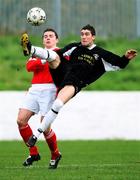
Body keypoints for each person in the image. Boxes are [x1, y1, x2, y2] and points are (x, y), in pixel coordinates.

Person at [21, 24, 137, 147]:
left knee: (58, 104)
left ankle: (36, 135)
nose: (84, 37)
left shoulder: (100, 54)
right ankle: (30, 48)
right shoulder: (75, 47)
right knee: (54, 55)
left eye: (87, 34)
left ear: (93, 37)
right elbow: (58, 54)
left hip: (75, 83)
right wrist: (43, 58)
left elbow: (119, 64)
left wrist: (126, 57)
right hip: (63, 74)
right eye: (82, 34)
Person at [17, 28, 62, 169]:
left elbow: (57, 63)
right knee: (21, 120)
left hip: (50, 90)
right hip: (35, 89)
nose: (48, 38)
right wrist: (44, 59)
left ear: (56, 39)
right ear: (43, 40)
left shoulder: (59, 52)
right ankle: (33, 153)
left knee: (45, 127)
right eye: (45, 36)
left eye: (51, 36)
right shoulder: (36, 52)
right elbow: (29, 66)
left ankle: (55, 154)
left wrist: (44, 59)